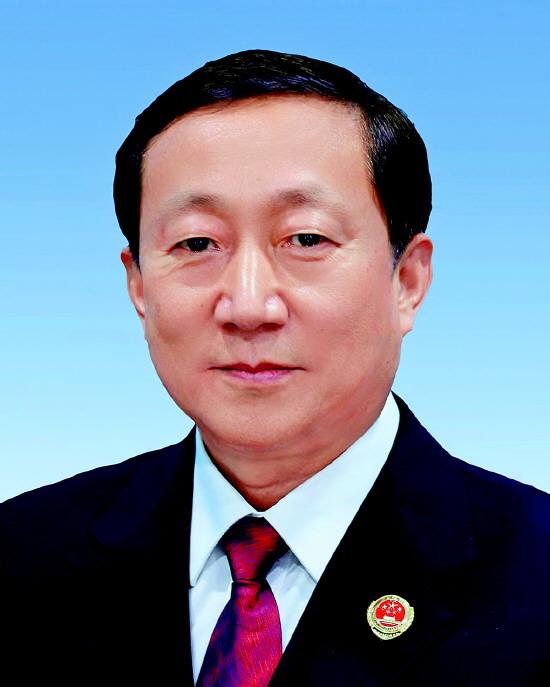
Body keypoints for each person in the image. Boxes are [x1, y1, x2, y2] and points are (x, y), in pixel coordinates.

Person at [1, 49, 548, 686]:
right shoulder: (21, 555)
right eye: (197, 243)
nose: (248, 306)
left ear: (408, 280)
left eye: (306, 239)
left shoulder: (535, 574)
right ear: (139, 286)